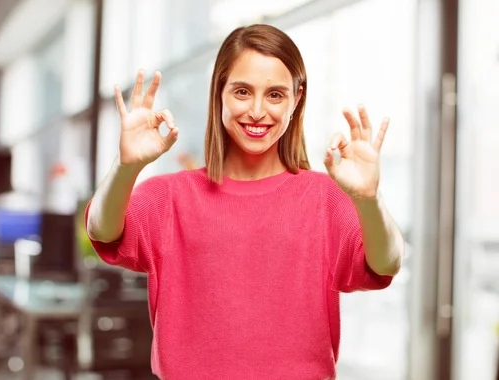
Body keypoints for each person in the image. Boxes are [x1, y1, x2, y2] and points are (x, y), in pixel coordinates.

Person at [85, 24, 404, 380]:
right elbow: (101, 229)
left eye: (275, 95)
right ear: (219, 92)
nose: (256, 111)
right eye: (242, 91)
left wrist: (369, 199)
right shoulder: (170, 196)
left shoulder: (325, 197)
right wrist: (126, 167)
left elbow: (387, 263)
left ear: (297, 98)